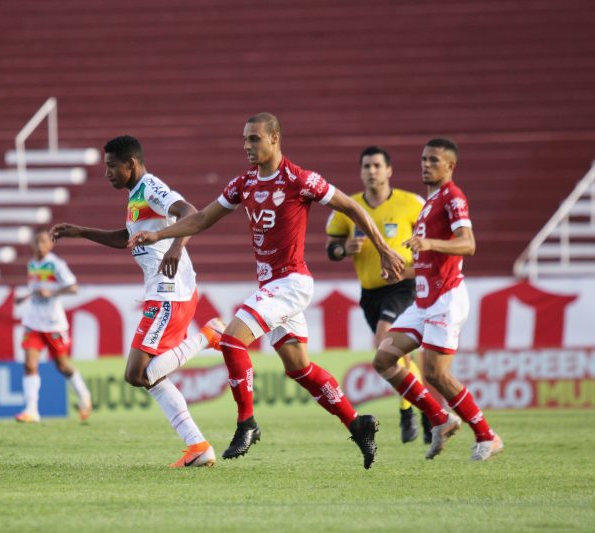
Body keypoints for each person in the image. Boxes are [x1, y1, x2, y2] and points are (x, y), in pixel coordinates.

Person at [128, 113, 405, 469]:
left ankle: (247, 423)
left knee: (230, 340)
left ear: (275, 139)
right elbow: (201, 219)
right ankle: (357, 423)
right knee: (298, 368)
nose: (247, 146)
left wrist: (383, 249)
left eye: (255, 139)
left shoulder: (300, 179)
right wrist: (161, 235)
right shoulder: (243, 184)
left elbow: (351, 206)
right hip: (272, 286)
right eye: (245, 139)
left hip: (291, 282)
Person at [50, 135, 225, 468]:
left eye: (112, 166)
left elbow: (190, 212)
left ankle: (208, 336)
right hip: (161, 292)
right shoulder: (136, 195)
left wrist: (175, 247)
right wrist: (82, 231)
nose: (107, 174)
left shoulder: (150, 187)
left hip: (169, 292)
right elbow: (126, 239)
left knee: (137, 374)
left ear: (130, 164)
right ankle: (198, 446)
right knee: (148, 376)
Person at [371, 138, 503, 461]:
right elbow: (428, 260)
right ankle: (441, 419)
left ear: (450, 166)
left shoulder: (453, 197)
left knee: (436, 374)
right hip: (423, 301)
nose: (425, 165)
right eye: (423, 159)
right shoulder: (429, 203)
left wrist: (428, 242)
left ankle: (487, 435)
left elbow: (467, 244)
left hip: (447, 299)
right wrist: (401, 273)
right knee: (383, 359)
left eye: (433, 160)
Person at [325, 146, 431, 444]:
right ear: (360, 172)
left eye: (376, 166)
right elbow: (331, 248)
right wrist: (343, 249)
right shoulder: (349, 206)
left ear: (389, 171)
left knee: (385, 344)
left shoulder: (411, 204)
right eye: (366, 167)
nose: (371, 171)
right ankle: (426, 410)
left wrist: (416, 253)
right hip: (370, 293)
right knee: (398, 355)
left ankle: (407, 413)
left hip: (402, 288)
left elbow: (429, 241)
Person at [15, 228, 92, 423]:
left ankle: (84, 396)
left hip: (54, 324)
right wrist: (25, 297)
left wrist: (53, 293)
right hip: (33, 322)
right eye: (36, 242)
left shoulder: (56, 264)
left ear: (51, 244)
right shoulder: (32, 264)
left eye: (43, 242)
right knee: (30, 364)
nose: (39, 246)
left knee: (62, 365)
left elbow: (73, 287)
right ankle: (32, 410)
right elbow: (37, 289)